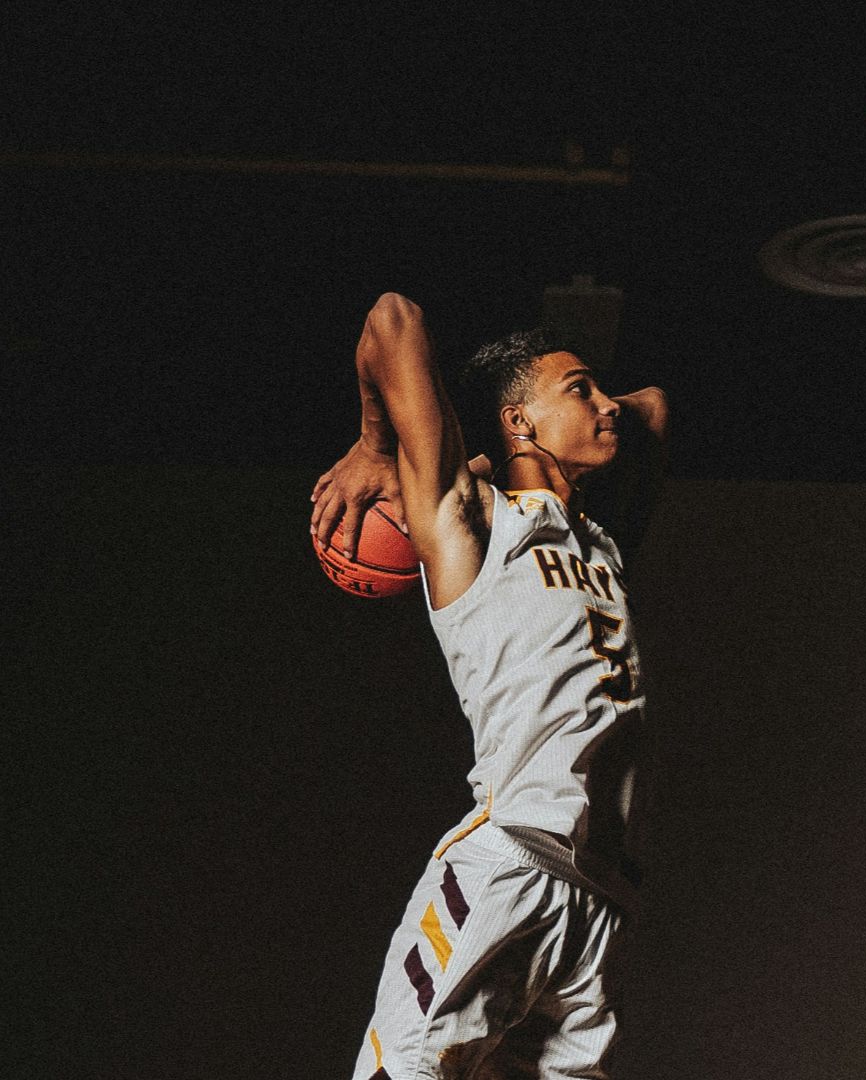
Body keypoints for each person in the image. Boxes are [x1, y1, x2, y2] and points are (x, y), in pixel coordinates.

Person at [311, 292, 668, 1079]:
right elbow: (393, 317)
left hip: (600, 902)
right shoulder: (470, 519)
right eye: (579, 389)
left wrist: (574, 408)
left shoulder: (603, 543)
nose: (608, 404)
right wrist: (378, 444)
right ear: (518, 422)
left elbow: (653, 405)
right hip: (509, 867)